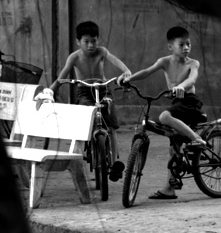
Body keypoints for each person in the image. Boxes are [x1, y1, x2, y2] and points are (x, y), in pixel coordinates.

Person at [122, 26, 207, 200]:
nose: (186, 48)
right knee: (172, 147)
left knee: (164, 117)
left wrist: (180, 87)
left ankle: (197, 140)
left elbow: (192, 78)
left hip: (190, 104)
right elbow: (147, 71)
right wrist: (129, 79)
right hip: (177, 104)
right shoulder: (164, 62)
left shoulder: (193, 63)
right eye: (181, 44)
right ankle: (170, 189)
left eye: (188, 44)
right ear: (170, 46)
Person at [47, 20, 131, 180]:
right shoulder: (74, 57)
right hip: (84, 91)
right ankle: (87, 146)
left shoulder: (102, 51)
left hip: (103, 88)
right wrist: (50, 92)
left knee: (111, 121)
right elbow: (61, 77)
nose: (91, 45)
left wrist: (126, 71)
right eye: (86, 41)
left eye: (94, 41)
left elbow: (115, 60)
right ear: (78, 42)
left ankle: (114, 163)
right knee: (85, 112)